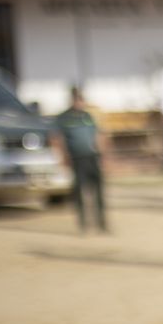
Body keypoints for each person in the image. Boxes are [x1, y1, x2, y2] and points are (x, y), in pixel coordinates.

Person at [54, 85, 107, 234]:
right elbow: (57, 139)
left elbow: (98, 135)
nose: (79, 103)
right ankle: (83, 224)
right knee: (79, 192)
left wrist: (102, 154)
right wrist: (63, 157)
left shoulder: (88, 116)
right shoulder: (64, 118)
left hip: (92, 157)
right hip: (77, 158)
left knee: (98, 191)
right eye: (77, 100)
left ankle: (101, 223)